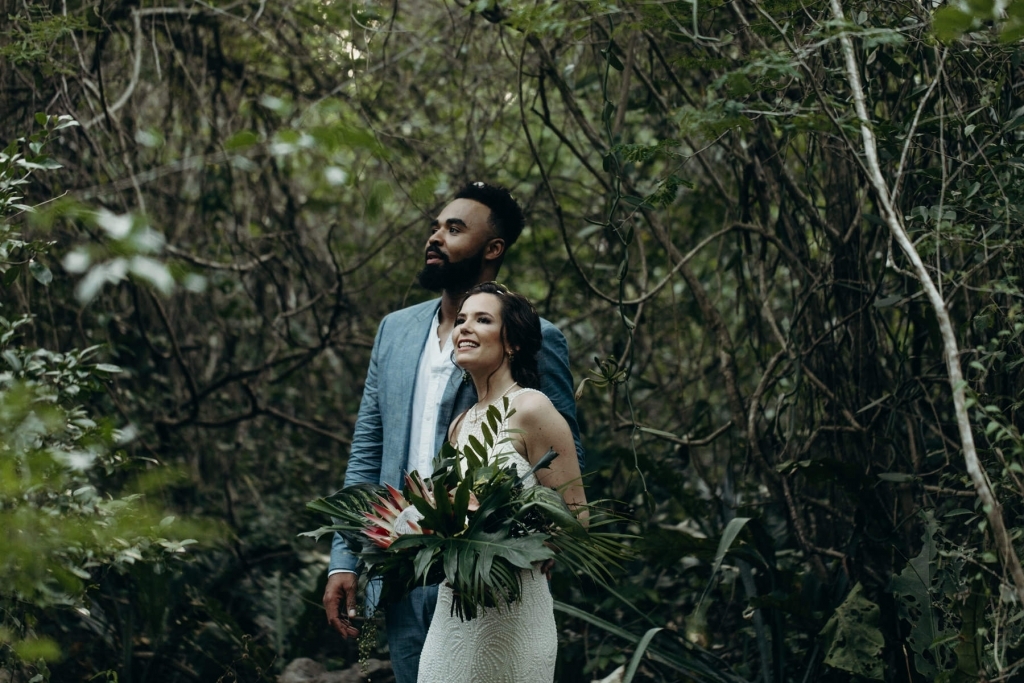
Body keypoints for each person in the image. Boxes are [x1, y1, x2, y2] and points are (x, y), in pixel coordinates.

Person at [323, 182, 583, 683]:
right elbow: (367, 452)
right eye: (436, 226)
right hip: (397, 572)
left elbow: (560, 460)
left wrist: (534, 549)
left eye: (455, 228)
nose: (436, 237)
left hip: (488, 580)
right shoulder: (394, 331)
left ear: (493, 249)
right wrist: (343, 559)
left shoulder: (537, 337)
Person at [417, 282, 586, 683]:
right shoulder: (460, 423)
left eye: (482, 319)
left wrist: (528, 540)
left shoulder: (532, 407)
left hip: (515, 605)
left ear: (511, 342)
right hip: (457, 607)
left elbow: (577, 518)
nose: (464, 328)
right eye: (460, 321)